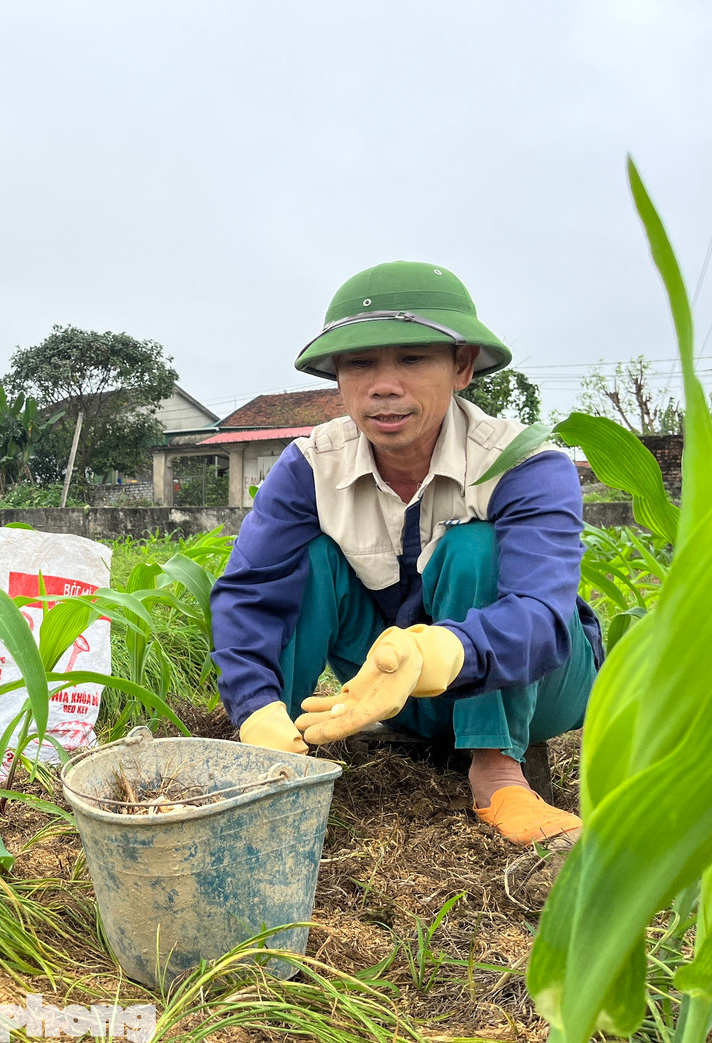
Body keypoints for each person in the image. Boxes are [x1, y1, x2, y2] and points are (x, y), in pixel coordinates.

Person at [210, 261, 602, 846]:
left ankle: (498, 771)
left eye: (413, 359)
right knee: (309, 559)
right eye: (359, 364)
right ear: (338, 378)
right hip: (387, 691)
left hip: (537, 686)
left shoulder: (524, 464)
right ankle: (276, 750)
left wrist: (441, 650)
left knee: (474, 547)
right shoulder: (311, 466)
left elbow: (543, 617)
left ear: (462, 366)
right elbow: (249, 592)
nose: (383, 386)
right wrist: (252, 704)